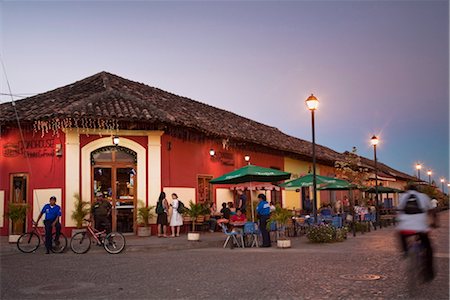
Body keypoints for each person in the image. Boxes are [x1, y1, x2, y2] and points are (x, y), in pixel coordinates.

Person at [397, 183, 437, 282]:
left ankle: (405, 252)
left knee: (400, 234)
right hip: (421, 228)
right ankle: (429, 273)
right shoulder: (424, 197)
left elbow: (399, 211)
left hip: (405, 228)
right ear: (418, 190)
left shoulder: (402, 197)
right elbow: (432, 211)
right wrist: (434, 222)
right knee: (429, 248)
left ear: (407, 189)